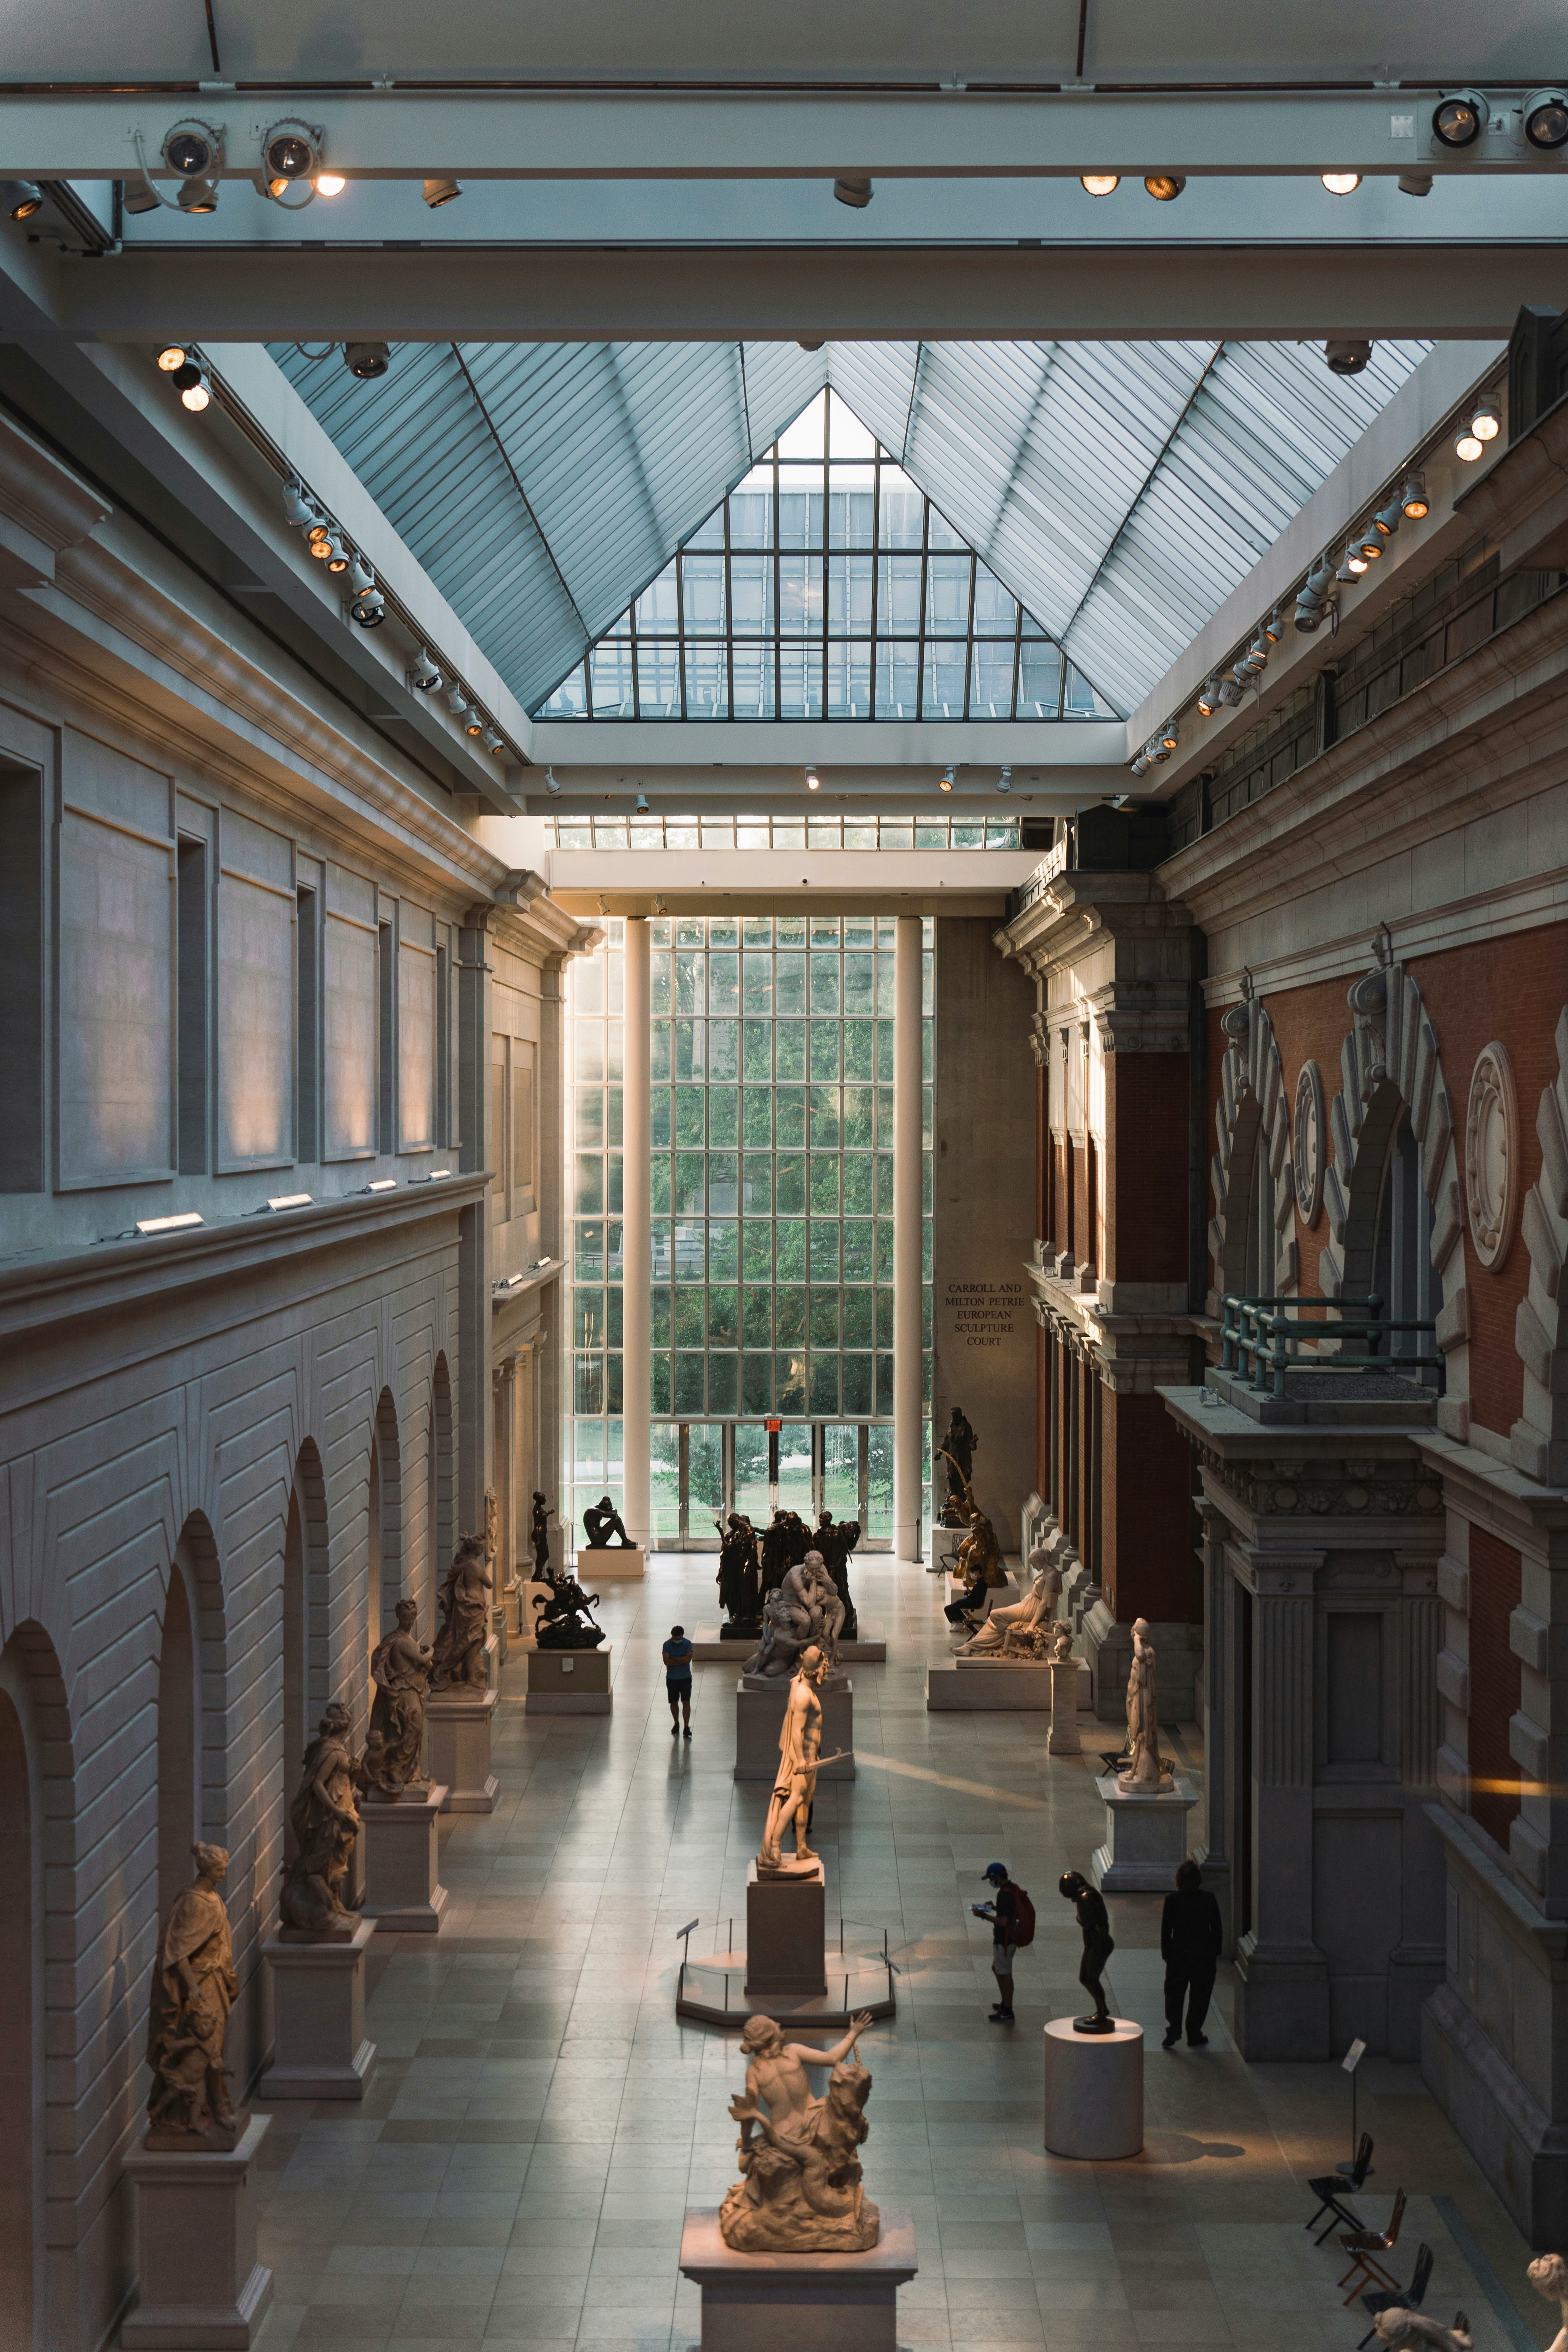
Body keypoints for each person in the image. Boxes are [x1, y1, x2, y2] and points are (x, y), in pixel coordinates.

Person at [1160, 1858, 1222, 2048]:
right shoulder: (1208, 1899)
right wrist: (1215, 1953)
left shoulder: (1172, 1901)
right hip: (1203, 1956)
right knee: (1200, 1996)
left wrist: (1167, 1954)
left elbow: (1166, 1931)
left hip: (1179, 1955)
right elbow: (1217, 1929)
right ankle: (1193, 2032)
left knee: (1174, 1993)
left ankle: (1174, 2029)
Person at [970, 1861, 1020, 2023]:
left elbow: (1003, 1922)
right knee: (998, 1969)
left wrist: (984, 1916)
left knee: (1004, 1974)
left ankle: (1008, 2010)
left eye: (992, 1879)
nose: (992, 1883)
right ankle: (1005, 2003)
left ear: (998, 1878)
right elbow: (1008, 1913)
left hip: (1005, 1941)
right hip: (1010, 1939)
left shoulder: (1004, 1895)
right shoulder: (1012, 1888)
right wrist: (994, 1908)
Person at [663, 1623, 694, 1736]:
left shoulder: (688, 1644)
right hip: (672, 1679)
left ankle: (686, 1726)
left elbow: (688, 1660)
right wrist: (682, 1659)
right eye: (675, 1638)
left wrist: (673, 1658)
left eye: (678, 1638)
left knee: (686, 1702)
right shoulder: (667, 1645)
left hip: (685, 1678)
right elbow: (667, 1661)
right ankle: (676, 1723)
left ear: (682, 1636)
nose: (677, 1640)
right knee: (674, 1702)